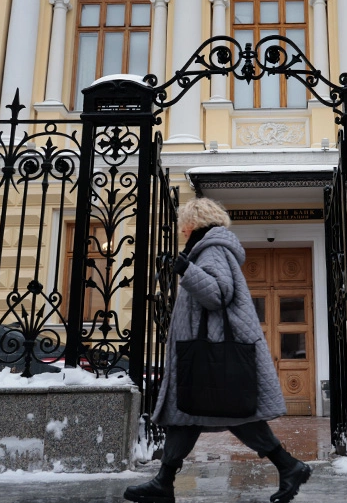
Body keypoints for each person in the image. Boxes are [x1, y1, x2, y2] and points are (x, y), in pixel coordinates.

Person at [124, 198, 311, 503]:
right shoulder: (207, 248)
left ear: (195, 222)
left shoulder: (212, 249)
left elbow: (219, 293)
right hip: (203, 352)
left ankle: (288, 465)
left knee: (219, 412)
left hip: (210, 351)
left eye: (185, 223)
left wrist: (186, 270)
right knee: (187, 414)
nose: (182, 230)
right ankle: (164, 481)